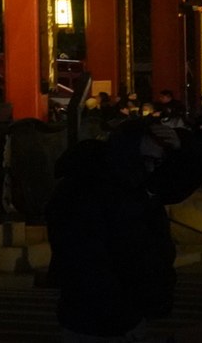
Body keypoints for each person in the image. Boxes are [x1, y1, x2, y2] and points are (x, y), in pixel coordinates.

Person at [48, 134, 178, 341]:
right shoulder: (115, 195)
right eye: (148, 160)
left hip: (85, 309)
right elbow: (131, 255)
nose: (151, 169)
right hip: (112, 313)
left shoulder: (76, 190)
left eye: (157, 162)